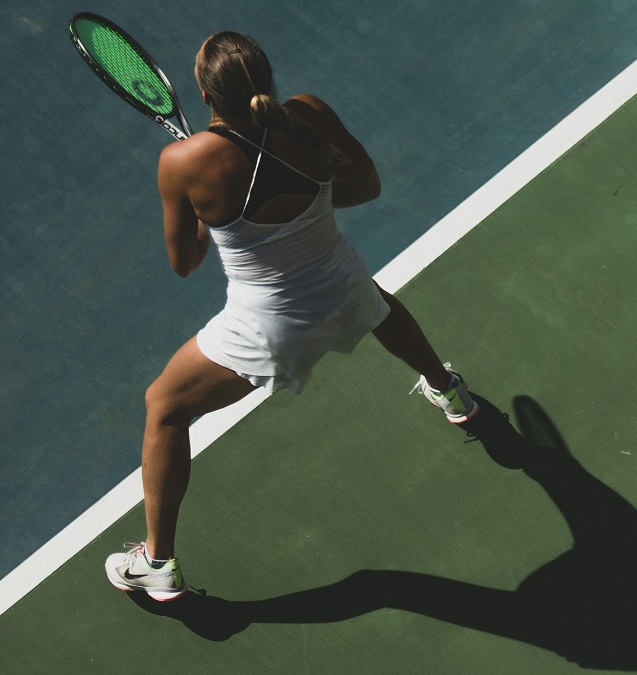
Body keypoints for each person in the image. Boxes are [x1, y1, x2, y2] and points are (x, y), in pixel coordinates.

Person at [104, 31, 478, 602]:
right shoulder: (308, 113)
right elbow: (365, 186)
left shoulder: (183, 161)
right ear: (266, 78)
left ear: (204, 91)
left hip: (268, 330)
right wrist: (306, 213)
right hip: (342, 284)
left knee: (164, 405)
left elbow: (185, 263)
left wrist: (212, 219)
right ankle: (451, 391)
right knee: (371, 300)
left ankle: (157, 562)